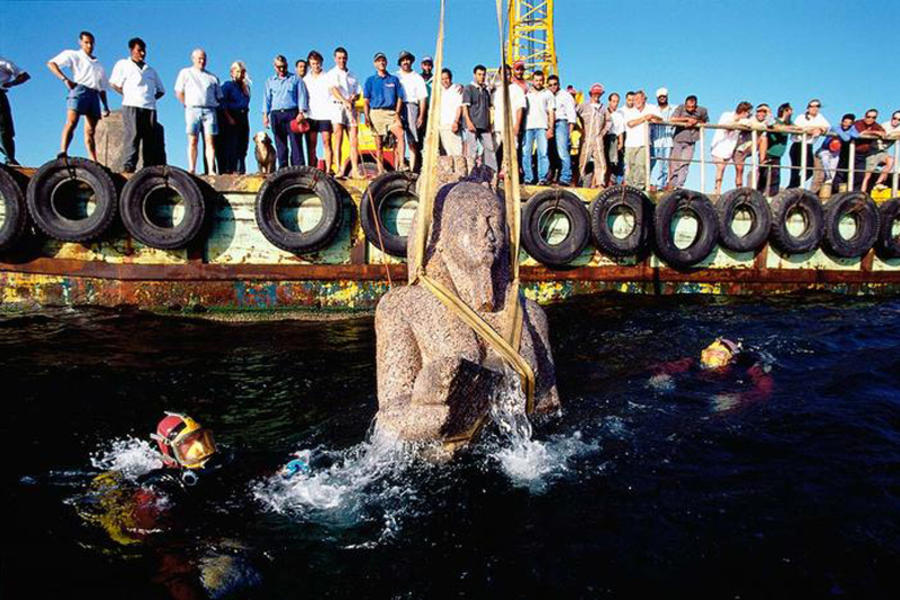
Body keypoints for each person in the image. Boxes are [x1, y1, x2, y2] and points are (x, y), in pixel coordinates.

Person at [649, 338, 774, 413]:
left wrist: (739, 399)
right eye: (709, 351)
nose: (711, 356)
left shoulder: (744, 368)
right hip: (693, 394)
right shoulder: (691, 363)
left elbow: (764, 389)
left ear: (731, 359)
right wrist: (660, 375)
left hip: (724, 393)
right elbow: (665, 366)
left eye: (719, 353)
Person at [47, 31, 110, 162]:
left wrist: (105, 106)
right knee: (72, 122)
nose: (89, 45)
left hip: (94, 94)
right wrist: (64, 79)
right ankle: (63, 151)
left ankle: (93, 159)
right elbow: (51, 64)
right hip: (79, 89)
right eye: (86, 42)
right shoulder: (73, 55)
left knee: (91, 131)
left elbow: (102, 88)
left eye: (91, 43)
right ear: (80, 42)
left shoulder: (98, 64)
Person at [109, 37, 165, 173]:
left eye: (144, 51)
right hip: (131, 105)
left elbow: (161, 90)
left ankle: (149, 167)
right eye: (139, 50)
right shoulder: (123, 64)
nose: (142, 53)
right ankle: (129, 165)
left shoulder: (150, 70)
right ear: (131, 50)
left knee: (149, 139)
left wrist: (150, 98)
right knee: (133, 135)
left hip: (149, 107)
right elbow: (114, 83)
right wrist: (127, 94)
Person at [174, 48, 222, 174]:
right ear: (193, 59)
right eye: (199, 58)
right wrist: (186, 104)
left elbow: (219, 96)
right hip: (192, 110)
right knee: (193, 139)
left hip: (209, 110)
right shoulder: (185, 72)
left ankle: (211, 169)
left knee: (209, 141)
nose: (202, 61)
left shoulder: (212, 77)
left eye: (204, 58)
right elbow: (178, 92)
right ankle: (192, 168)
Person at [262, 54, 308, 170]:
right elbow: (267, 99)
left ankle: (298, 168)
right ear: (274, 67)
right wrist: (265, 115)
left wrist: (301, 112)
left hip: (292, 114)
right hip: (276, 114)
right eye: (279, 67)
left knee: (295, 143)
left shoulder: (295, 79)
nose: (282, 69)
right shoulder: (269, 81)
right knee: (280, 144)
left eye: (284, 66)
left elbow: (302, 96)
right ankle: (283, 168)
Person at [362, 51, 406, 174]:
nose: (381, 62)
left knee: (400, 134)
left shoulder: (393, 79)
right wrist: (366, 116)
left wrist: (397, 113)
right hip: (376, 113)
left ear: (386, 62)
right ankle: (380, 170)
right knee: (379, 144)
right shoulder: (370, 80)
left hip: (391, 112)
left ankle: (402, 164)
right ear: (375, 64)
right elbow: (366, 100)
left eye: (383, 60)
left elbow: (400, 97)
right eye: (379, 61)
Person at [328, 47, 362, 178]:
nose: (342, 60)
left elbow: (358, 92)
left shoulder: (352, 75)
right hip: (338, 107)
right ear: (335, 59)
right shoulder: (332, 73)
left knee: (353, 139)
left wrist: (354, 97)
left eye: (344, 58)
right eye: (339, 58)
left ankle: (355, 170)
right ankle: (339, 169)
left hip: (351, 108)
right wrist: (344, 100)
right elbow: (333, 89)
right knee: (338, 138)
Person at [667, 94, 709, 189]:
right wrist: (686, 119)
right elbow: (672, 119)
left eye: (692, 107)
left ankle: (679, 185)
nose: (690, 109)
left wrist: (696, 122)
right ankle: (672, 184)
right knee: (674, 163)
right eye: (688, 107)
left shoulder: (702, 110)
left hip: (691, 141)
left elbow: (706, 122)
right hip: (678, 139)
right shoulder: (680, 108)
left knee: (685, 164)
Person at [491, 64, 526, 178]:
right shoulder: (496, 91)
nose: (505, 76)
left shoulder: (516, 89)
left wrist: (517, 125)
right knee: (496, 150)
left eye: (507, 73)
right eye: (503, 74)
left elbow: (519, 108)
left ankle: (511, 174)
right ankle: (496, 173)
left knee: (511, 150)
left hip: (511, 126)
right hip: (497, 126)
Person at [710, 101, 752, 194]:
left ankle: (737, 190)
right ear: (744, 112)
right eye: (748, 112)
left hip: (730, 148)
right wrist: (740, 123)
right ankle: (717, 190)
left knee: (729, 168)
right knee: (720, 168)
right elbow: (728, 126)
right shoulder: (727, 115)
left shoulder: (744, 121)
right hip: (719, 146)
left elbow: (750, 124)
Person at [521, 70, 555, 185]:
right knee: (526, 152)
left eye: (540, 80)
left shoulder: (548, 94)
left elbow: (551, 112)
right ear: (532, 81)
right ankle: (528, 178)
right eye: (536, 80)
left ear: (543, 81)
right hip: (528, 127)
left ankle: (542, 178)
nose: (538, 82)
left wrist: (551, 128)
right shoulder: (527, 94)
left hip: (542, 127)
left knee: (543, 153)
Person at [462, 64, 497, 173]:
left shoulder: (486, 91)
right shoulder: (469, 88)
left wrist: (490, 124)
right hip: (472, 124)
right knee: (472, 150)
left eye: (483, 75)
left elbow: (489, 108)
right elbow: (465, 107)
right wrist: (468, 122)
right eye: (479, 74)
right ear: (474, 75)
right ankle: (471, 172)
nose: (481, 77)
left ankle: (492, 172)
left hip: (484, 125)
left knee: (490, 148)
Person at [622, 90, 662, 190]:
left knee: (641, 166)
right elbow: (630, 124)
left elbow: (660, 119)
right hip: (630, 143)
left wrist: (652, 116)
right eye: (635, 99)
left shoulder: (651, 108)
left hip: (643, 143)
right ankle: (629, 188)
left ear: (644, 99)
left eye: (639, 98)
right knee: (629, 167)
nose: (637, 101)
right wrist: (645, 118)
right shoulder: (629, 111)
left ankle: (639, 188)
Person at [395, 50, 427, 173]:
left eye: (407, 59)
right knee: (398, 139)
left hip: (412, 106)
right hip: (398, 107)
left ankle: (413, 169)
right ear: (400, 63)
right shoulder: (396, 76)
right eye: (403, 60)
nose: (405, 62)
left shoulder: (417, 78)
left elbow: (422, 98)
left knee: (412, 140)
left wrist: (421, 116)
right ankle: (399, 167)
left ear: (411, 61)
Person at [788, 99, 830, 190]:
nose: (815, 108)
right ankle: (791, 188)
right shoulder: (801, 117)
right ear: (808, 108)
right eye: (812, 106)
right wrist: (811, 129)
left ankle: (792, 187)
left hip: (808, 146)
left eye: (817, 106)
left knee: (809, 171)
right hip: (798, 145)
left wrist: (820, 129)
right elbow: (797, 128)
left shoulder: (820, 117)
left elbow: (827, 127)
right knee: (796, 169)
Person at [219, 61, 251, 174]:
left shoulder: (245, 88)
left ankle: (241, 169)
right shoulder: (227, 86)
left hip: (243, 116)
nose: (240, 74)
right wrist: (228, 117)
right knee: (232, 145)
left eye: (242, 72)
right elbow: (222, 103)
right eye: (238, 71)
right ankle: (230, 169)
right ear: (232, 73)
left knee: (243, 144)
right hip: (232, 116)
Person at [303, 50, 333, 170]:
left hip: (325, 114)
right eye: (313, 63)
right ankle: (312, 168)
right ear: (310, 64)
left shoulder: (328, 77)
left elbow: (332, 94)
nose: (316, 66)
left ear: (321, 63)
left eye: (317, 63)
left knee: (326, 142)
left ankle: (329, 169)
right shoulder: (305, 79)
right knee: (312, 144)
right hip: (311, 114)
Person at [576, 83, 609, 188]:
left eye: (599, 94)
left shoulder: (603, 108)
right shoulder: (584, 106)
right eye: (595, 94)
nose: (596, 96)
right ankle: (580, 180)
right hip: (586, 138)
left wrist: (603, 133)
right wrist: (579, 128)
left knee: (601, 161)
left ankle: (600, 182)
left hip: (598, 139)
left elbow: (609, 121)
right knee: (583, 160)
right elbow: (574, 115)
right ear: (590, 94)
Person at [0, 55, 30, 165]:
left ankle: (9, 158)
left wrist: (11, 83)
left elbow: (24, 76)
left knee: (5, 129)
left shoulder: (4, 62)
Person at [757, 103, 792, 196]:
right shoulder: (775, 120)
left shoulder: (789, 123)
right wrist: (768, 112)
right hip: (768, 152)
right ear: (785, 111)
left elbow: (799, 128)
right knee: (763, 174)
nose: (791, 112)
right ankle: (759, 194)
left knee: (775, 176)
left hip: (778, 154)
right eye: (789, 110)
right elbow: (771, 124)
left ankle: (773, 195)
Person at [817, 114, 859, 191]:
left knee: (833, 171)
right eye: (845, 122)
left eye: (849, 123)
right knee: (825, 167)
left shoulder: (850, 128)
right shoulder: (836, 127)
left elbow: (856, 135)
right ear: (842, 122)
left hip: (836, 152)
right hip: (825, 150)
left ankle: (826, 192)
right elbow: (846, 138)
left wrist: (852, 129)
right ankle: (821, 190)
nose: (846, 124)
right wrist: (848, 133)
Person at [547, 74, 575, 185]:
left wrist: (570, 131)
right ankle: (552, 175)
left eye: (555, 84)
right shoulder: (547, 95)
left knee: (563, 151)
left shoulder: (566, 96)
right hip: (549, 124)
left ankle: (566, 177)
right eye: (550, 85)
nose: (553, 87)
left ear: (559, 84)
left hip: (561, 123)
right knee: (550, 152)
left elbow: (571, 115)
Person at [732, 104, 770, 188]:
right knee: (739, 169)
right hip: (741, 147)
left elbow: (771, 123)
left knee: (763, 138)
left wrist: (769, 112)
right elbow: (741, 121)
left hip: (752, 145)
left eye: (764, 112)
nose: (761, 114)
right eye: (759, 111)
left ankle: (762, 160)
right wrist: (751, 125)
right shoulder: (750, 118)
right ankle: (739, 188)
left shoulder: (766, 121)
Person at [853, 109, 885, 191]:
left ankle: (857, 193)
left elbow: (883, 133)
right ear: (865, 116)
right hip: (852, 152)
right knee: (844, 173)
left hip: (864, 154)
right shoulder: (858, 123)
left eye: (873, 117)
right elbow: (861, 133)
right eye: (868, 117)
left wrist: (873, 132)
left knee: (862, 174)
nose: (870, 119)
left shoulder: (875, 125)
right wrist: (875, 132)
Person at [867, 110, 900, 189]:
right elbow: (883, 134)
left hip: (882, 152)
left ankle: (878, 183)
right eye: (894, 118)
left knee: (891, 161)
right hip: (872, 151)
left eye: (899, 120)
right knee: (867, 175)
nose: (896, 121)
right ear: (891, 118)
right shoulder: (885, 125)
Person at [650, 87, 675, 190]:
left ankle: (661, 185)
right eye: (660, 97)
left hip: (667, 141)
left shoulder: (673, 109)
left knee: (664, 166)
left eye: (664, 97)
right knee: (650, 163)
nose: (662, 98)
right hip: (655, 140)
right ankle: (647, 183)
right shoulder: (653, 109)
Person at [438, 68, 463, 157]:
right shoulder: (439, 90)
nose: (445, 81)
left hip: (452, 125)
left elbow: (459, 106)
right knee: (446, 153)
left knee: (457, 152)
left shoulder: (456, 89)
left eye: (446, 78)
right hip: (441, 126)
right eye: (442, 79)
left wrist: (456, 121)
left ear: (450, 78)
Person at [605, 92, 625, 185]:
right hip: (604, 137)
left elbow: (620, 130)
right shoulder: (604, 111)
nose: (615, 104)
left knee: (613, 162)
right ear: (609, 101)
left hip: (613, 138)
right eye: (613, 101)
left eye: (617, 102)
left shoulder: (619, 115)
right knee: (603, 161)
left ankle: (611, 182)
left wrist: (621, 142)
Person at [419, 56, 434, 144]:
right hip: (420, 108)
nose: (427, 67)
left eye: (429, 65)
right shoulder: (417, 77)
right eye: (425, 65)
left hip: (432, 108)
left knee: (431, 133)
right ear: (422, 66)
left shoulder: (436, 78)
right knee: (419, 134)